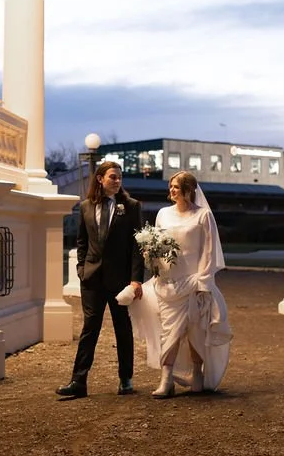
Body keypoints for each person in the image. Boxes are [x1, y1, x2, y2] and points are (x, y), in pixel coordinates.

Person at [129, 171, 232, 398]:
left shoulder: (203, 216)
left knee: (196, 330)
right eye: (171, 186)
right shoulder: (163, 214)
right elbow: (155, 245)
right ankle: (166, 379)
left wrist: (203, 281)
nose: (171, 190)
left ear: (188, 190)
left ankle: (197, 374)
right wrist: (152, 260)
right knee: (169, 331)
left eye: (176, 186)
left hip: (194, 281)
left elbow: (209, 250)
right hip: (168, 283)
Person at [56, 161, 144, 399]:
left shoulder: (131, 207)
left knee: (122, 329)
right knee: (89, 329)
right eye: (113, 177)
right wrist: (81, 269)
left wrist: (136, 280)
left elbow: (137, 247)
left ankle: (126, 379)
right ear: (100, 179)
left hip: (120, 281)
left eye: (119, 177)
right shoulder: (85, 207)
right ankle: (78, 382)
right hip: (92, 279)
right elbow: (82, 242)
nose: (117, 181)